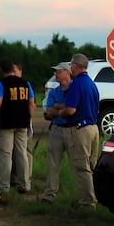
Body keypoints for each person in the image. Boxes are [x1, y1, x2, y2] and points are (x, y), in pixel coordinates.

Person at [57, 53, 100, 210]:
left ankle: (87, 201)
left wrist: (59, 113)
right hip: (94, 127)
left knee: (81, 166)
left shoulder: (76, 84)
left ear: (74, 66)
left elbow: (70, 110)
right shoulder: (91, 83)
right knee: (91, 164)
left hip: (81, 129)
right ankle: (94, 196)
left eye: (71, 65)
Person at [0, 60, 35, 204]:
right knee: (22, 152)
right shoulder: (26, 83)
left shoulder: (1, 84)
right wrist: (28, 118)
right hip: (23, 122)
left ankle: (4, 185)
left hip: (6, 124)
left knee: (6, 154)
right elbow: (31, 103)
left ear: (3, 71)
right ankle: (25, 183)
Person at [41, 62, 73, 203]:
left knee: (78, 164)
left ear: (67, 72)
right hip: (57, 129)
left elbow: (73, 109)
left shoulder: (75, 89)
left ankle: (80, 195)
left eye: (59, 71)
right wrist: (64, 109)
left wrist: (58, 108)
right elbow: (49, 111)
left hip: (73, 129)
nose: (56, 74)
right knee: (53, 163)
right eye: (55, 72)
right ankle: (50, 194)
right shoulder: (54, 91)